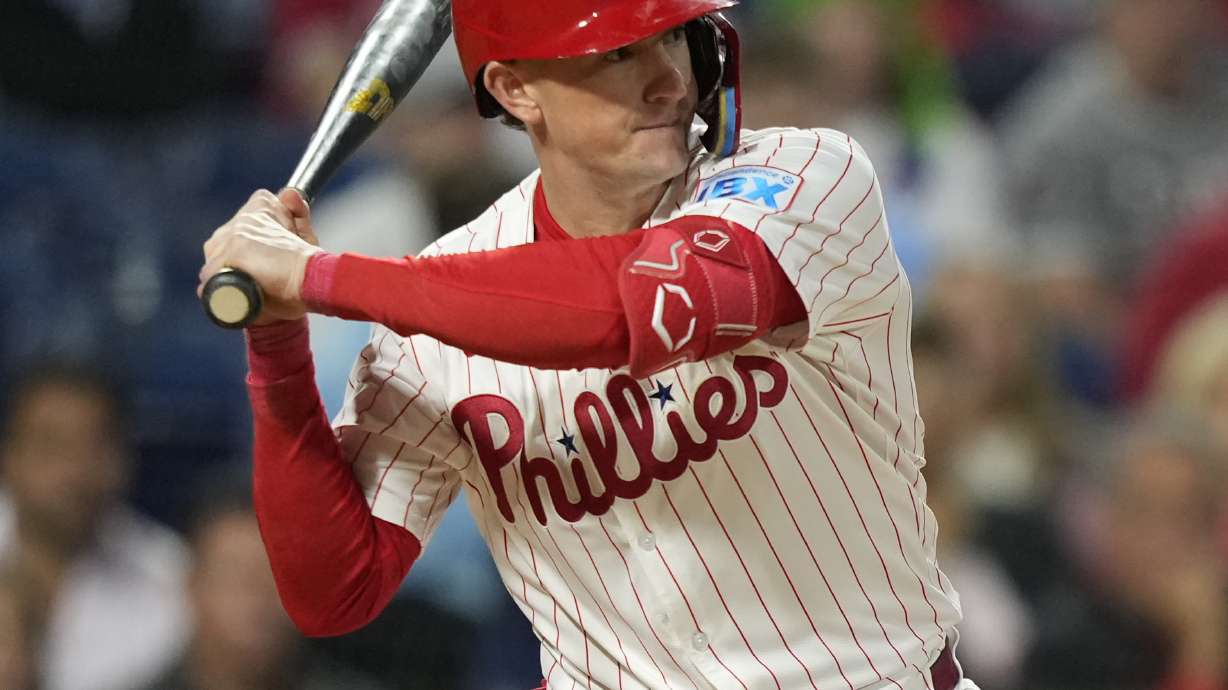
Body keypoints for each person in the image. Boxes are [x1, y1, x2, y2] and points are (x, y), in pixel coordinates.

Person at [198, 1, 977, 688]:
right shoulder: (434, 305)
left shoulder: (806, 178)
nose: (669, 79)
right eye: (617, 53)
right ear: (515, 89)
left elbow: (621, 304)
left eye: (674, 38)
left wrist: (319, 274)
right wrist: (277, 341)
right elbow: (334, 591)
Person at [0, 362, 189, 690]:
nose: (74, 471)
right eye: (51, 446)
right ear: (9, 455)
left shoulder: (173, 579)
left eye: (94, 446)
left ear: (125, 459)